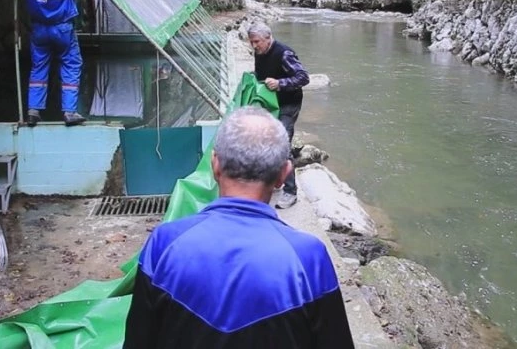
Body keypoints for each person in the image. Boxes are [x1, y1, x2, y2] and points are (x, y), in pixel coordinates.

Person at [124, 106, 354, 349]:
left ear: (215, 164)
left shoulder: (164, 244)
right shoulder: (309, 258)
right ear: (283, 174)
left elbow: (138, 340)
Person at [22, 0, 86, 127]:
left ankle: (33, 111)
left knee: (39, 67)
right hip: (61, 28)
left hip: (39, 28)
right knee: (71, 65)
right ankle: (69, 112)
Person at [248, 21, 309, 209]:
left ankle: (290, 192)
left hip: (288, 104)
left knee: (282, 143)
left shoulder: (284, 53)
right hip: (271, 104)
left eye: (257, 41)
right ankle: (274, 180)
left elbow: (303, 77)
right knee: (266, 141)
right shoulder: (260, 52)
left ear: (268, 38)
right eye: (252, 42)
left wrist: (280, 83)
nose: (254, 46)